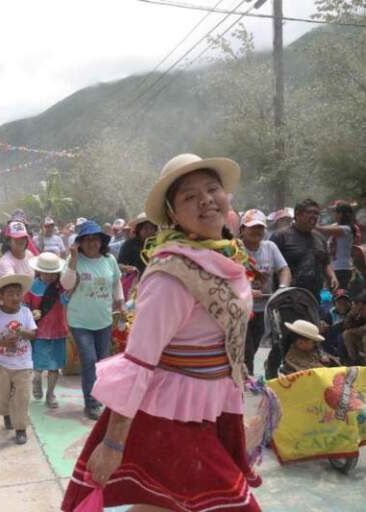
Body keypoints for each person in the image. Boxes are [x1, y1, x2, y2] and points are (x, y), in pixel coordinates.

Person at [62, 154, 261, 512]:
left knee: (165, 505)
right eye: (189, 196)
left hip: (209, 407)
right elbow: (138, 361)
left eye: (212, 189)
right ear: (172, 214)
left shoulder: (227, 256)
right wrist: (113, 444)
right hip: (172, 417)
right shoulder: (171, 275)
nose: (205, 200)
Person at [63, 220, 123, 421]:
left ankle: (100, 397)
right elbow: (66, 284)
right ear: (79, 242)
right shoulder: (74, 260)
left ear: (101, 241)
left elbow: (116, 282)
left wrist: (120, 301)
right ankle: (91, 403)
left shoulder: (109, 260)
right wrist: (73, 259)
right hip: (79, 321)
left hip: (103, 320)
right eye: (87, 239)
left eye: (95, 239)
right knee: (89, 360)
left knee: (102, 362)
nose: (92, 243)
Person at [0, 274, 37, 445]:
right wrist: (2, 342)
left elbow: (33, 334)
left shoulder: (26, 312)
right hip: (1, 365)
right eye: (10, 294)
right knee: (2, 398)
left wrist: (21, 331)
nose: (15, 297)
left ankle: (20, 429)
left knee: (23, 397)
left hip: (23, 365)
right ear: (1, 296)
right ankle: (6, 413)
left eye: (18, 293)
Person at [240, 209, 291, 375]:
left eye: (260, 228)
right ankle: (248, 382)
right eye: (252, 227)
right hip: (240, 309)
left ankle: (245, 376)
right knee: (246, 351)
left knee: (254, 347)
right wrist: (247, 292)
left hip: (264, 309)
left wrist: (282, 289)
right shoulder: (234, 249)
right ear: (242, 229)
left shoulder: (270, 247)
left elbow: (284, 269)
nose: (257, 231)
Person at [25, 252, 72, 409]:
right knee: (38, 365)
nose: (50, 277)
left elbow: (65, 300)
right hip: (39, 332)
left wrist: (69, 291)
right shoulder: (32, 286)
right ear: (39, 271)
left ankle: (50, 394)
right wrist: (30, 313)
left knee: (54, 366)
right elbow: (25, 305)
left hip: (58, 331)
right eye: (46, 273)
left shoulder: (61, 286)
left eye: (53, 273)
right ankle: (36, 380)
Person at [271, 199, 338, 299]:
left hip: (313, 296)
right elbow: (270, 265)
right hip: (287, 297)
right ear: (297, 214)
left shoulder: (320, 238)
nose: (314, 216)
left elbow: (325, 262)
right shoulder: (281, 236)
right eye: (310, 212)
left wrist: (332, 276)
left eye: (316, 213)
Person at [317, 202, 358, 291]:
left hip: (342, 268)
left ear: (340, 214)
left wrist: (311, 223)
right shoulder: (337, 226)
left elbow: (321, 229)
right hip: (334, 268)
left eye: (335, 212)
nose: (333, 214)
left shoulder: (346, 229)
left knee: (339, 294)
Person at [320, 289, 352, 359]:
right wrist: (323, 325)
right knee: (322, 336)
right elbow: (325, 323)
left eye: (345, 302)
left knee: (342, 336)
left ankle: (344, 358)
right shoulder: (331, 312)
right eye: (339, 302)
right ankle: (332, 355)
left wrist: (331, 328)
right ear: (335, 303)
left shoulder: (352, 312)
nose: (342, 304)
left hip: (349, 339)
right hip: (336, 337)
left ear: (349, 303)